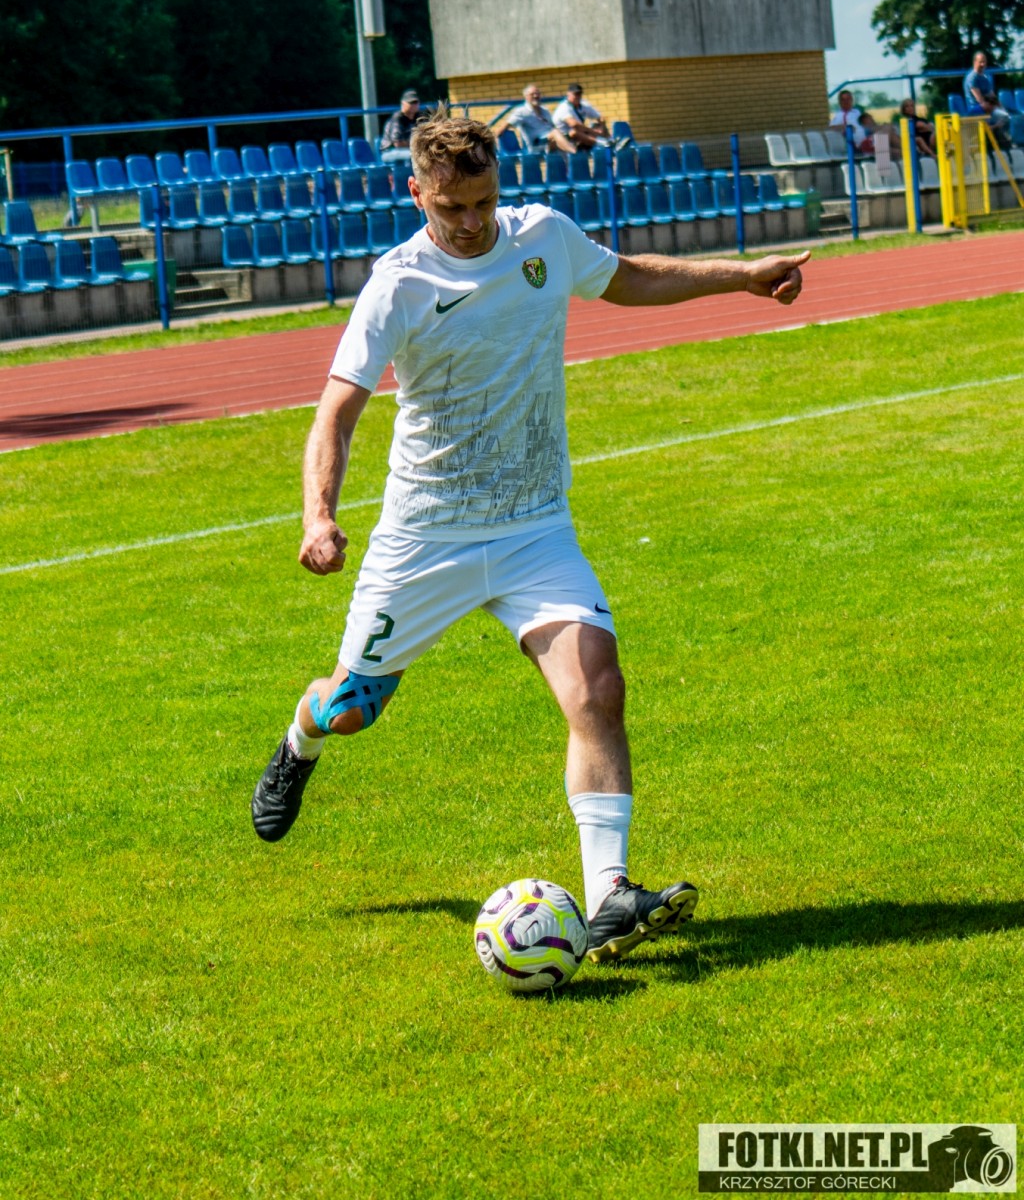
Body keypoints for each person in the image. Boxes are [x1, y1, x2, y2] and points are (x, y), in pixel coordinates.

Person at [250, 111, 809, 963]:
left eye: (482, 202)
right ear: (416, 193)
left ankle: (609, 895)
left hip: (533, 528)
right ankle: (302, 739)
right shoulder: (397, 284)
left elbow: (628, 278)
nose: (470, 222)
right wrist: (318, 514)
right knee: (351, 709)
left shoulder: (542, 236)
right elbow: (337, 411)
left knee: (598, 689)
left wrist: (744, 277)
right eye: (451, 207)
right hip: (425, 538)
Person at [506, 85, 576, 155]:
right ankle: (574, 153)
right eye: (532, 94)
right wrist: (501, 138)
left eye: (537, 93)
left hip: (549, 142)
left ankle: (571, 158)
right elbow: (506, 125)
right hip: (536, 146)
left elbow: (552, 126)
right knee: (555, 133)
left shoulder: (545, 110)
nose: (535, 96)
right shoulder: (521, 111)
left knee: (568, 135)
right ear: (526, 96)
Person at [552, 83, 624, 152]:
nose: (577, 96)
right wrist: (593, 132)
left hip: (580, 135)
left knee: (597, 125)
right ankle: (602, 142)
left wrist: (601, 127)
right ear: (568, 94)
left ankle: (610, 140)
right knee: (574, 132)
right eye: (575, 94)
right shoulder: (564, 107)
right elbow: (574, 124)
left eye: (579, 94)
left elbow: (600, 117)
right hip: (564, 137)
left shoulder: (584, 104)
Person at [963, 51, 1012, 150]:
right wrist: (992, 108)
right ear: (975, 62)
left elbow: (992, 95)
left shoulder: (985, 78)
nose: (983, 64)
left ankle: (1000, 140)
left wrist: (1001, 107)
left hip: (987, 108)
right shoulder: (972, 78)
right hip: (975, 109)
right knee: (996, 116)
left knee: (1006, 116)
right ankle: (991, 138)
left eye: (984, 62)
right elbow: (979, 99)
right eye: (980, 62)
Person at [380, 90, 429, 163]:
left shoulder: (420, 117)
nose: (414, 105)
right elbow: (397, 144)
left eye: (415, 102)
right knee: (415, 155)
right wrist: (418, 144)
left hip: (411, 150)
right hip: (389, 151)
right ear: (403, 103)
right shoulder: (397, 118)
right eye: (411, 102)